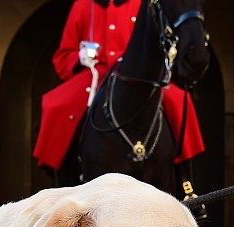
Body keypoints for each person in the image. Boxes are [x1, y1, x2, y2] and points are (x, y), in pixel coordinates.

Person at [33, 0, 204, 173]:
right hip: (96, 74)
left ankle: (185, 178)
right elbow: (63, 56)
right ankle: (65, 174)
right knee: (58, 105)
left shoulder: (142, 4)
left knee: (180, 101)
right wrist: (80, 57)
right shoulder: (83, 4)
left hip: (137, 74)